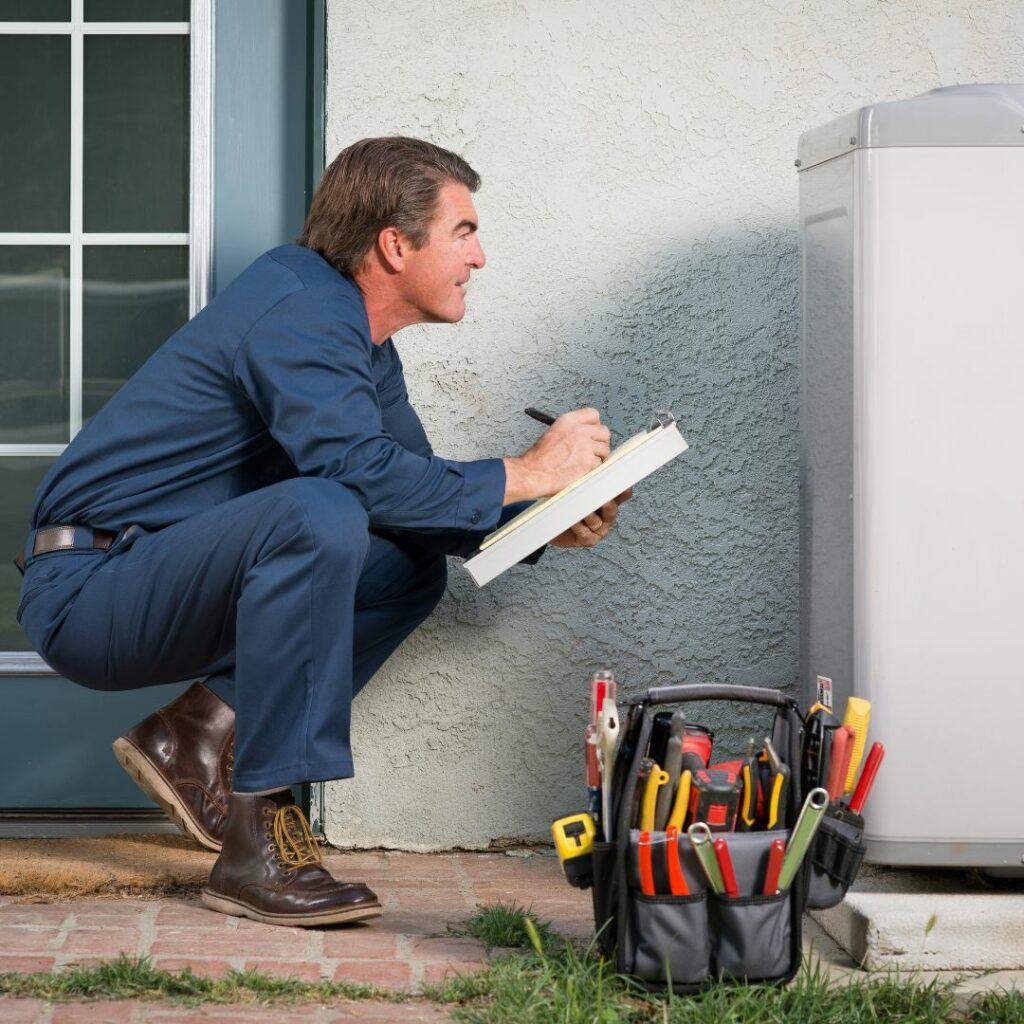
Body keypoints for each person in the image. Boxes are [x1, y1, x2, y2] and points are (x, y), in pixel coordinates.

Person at [15, 137, 630, 928]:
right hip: (90, 589)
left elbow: (412, 497)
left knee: (407, 565)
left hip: (151, 572)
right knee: (325, 509)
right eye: (464, 232)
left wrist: (546, 521)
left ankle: (194, 738)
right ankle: (255, 846)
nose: (479, 257)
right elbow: (357, 474)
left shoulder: (361, 345)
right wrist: (530, 469)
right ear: (395, 244)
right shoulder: (299, 302)